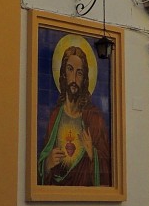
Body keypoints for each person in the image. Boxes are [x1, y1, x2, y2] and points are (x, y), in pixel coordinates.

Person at [38, 44, 111, 186]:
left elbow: (107, 166)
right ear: (63, 74)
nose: (74, 78)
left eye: (79, 73)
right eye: (70, 70)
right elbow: (42, 160)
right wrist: (47, 164)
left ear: (84, 79)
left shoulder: (94, 117)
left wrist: (92, 153)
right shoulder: (54, 116)